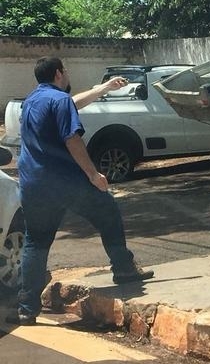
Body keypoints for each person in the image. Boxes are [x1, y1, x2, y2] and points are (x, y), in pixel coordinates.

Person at [6, 57, 153, 326]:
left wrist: (103, 88)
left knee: (36, 242)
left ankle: (27, 309)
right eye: (67, 71)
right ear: (59, 73)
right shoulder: (60, 101)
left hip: (33, 185)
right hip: (64, 183)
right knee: (107, 212)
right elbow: (72, 138)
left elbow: (72, 103)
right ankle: (123, 269)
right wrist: (93, 175)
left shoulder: (31, 102)